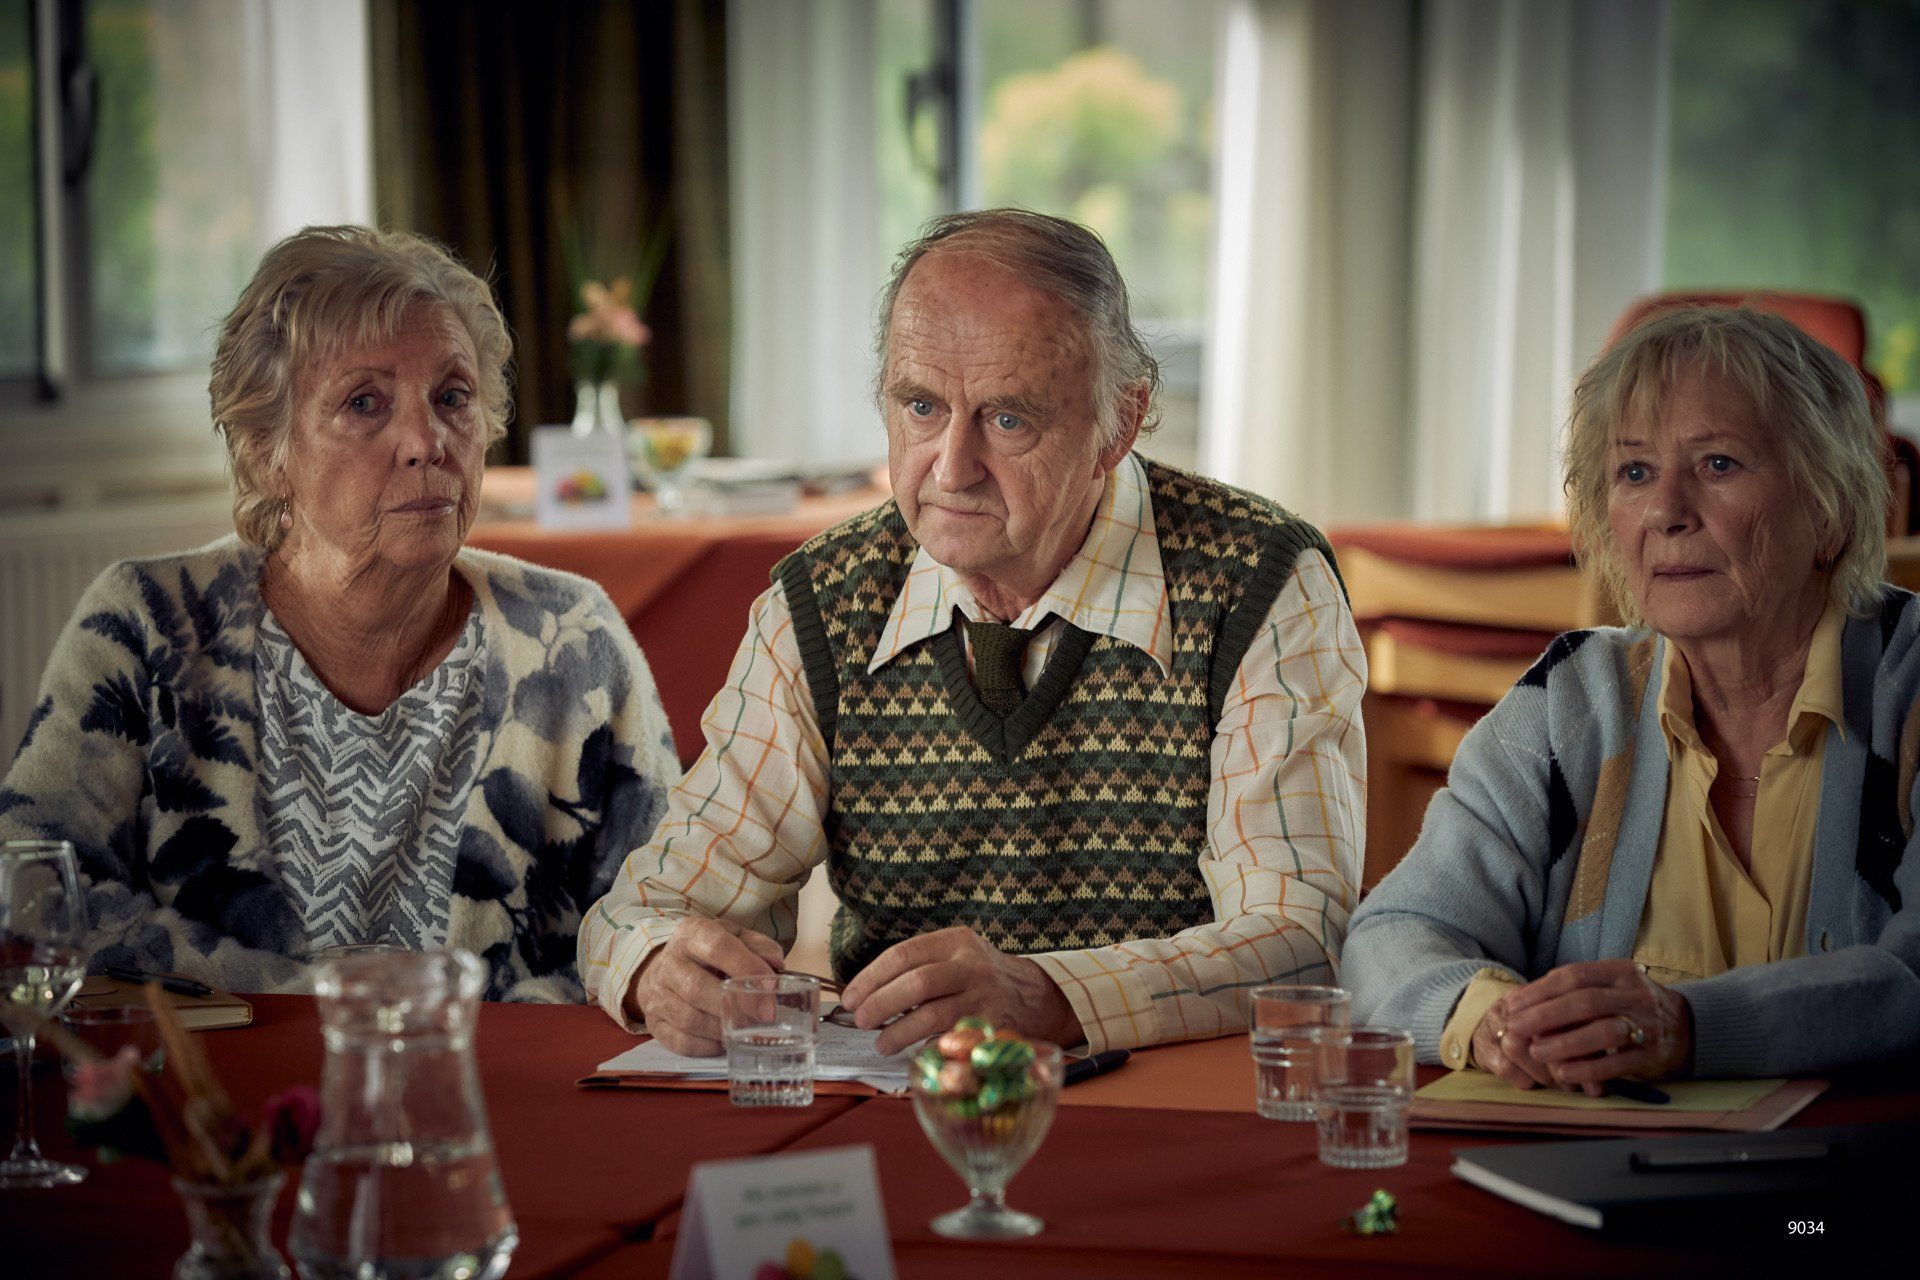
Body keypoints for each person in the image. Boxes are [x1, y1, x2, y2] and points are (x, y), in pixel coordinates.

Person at [582, 209, 1365, 1056]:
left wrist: (1052, 995)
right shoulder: (824, 601)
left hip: (1180, 1094)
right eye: (921, 407)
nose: (951, 469)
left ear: (1119, 424)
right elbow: (641, 911)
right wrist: (658, 966)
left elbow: (1300, 939)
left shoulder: (1260, 581)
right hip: (908, 1097)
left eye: (1008, 420)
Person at [0, 226, 677, 1000]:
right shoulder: (146, 625)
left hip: (500, 1074)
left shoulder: (571, 639)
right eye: (364, 403)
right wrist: (333, 1008)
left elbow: (671, 903)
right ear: (267, 451)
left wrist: (644, 969)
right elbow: (32, 896)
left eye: (453, 397)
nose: (426, 441)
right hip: (228, 1075)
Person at [1345, 306, 1920, 1086]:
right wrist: (1499, 1024)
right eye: (1635, 473)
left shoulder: (1906, 691)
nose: (1665, 513)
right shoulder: (1571, 700)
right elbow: (1396, 931)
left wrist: (1690, 1028)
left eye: (1718, 464)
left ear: (1831, 509)